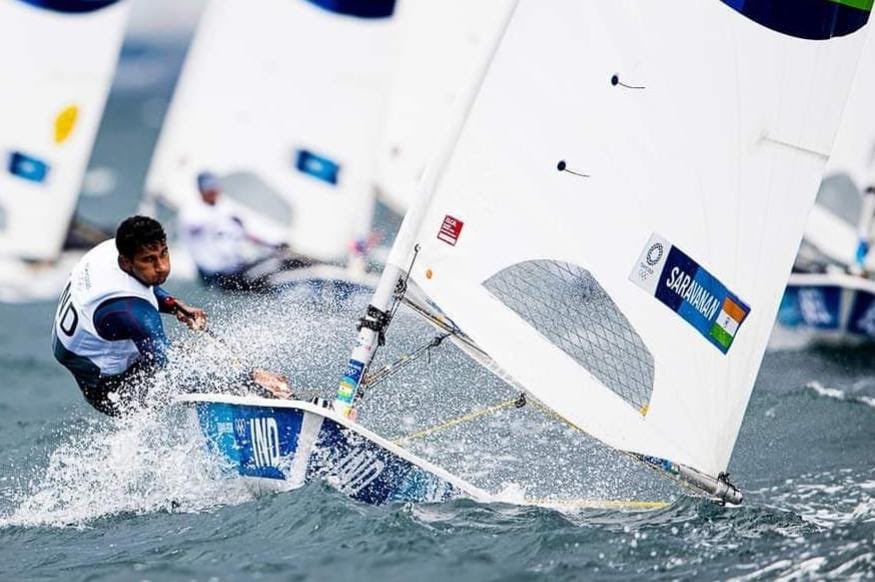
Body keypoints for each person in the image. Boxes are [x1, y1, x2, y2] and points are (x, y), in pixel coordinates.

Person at [52, 216, 291, 416]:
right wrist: (248, 377)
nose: (162, 267)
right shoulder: (135, 313)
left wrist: (172, 304)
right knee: (189, 369)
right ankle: (266, 401)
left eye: (164, 254)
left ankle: (257, 391)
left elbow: (142, 284)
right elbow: (170, 368)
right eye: (149, 260)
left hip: (87, 351)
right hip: (110, 392)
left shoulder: (108, 251)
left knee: (199, 359)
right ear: (126, 262)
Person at [177, 171, 310, 291]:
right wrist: (220, 221)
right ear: (201, 191)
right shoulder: (191, 213)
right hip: (217, 276)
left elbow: (247, 234)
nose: (212, 192)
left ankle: (311, 273)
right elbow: (193, 227)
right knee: (275, 269)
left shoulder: (225, 209)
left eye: (214, 188)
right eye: (208, 189)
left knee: (283, 258)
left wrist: (273, 244)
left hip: (236, 268)